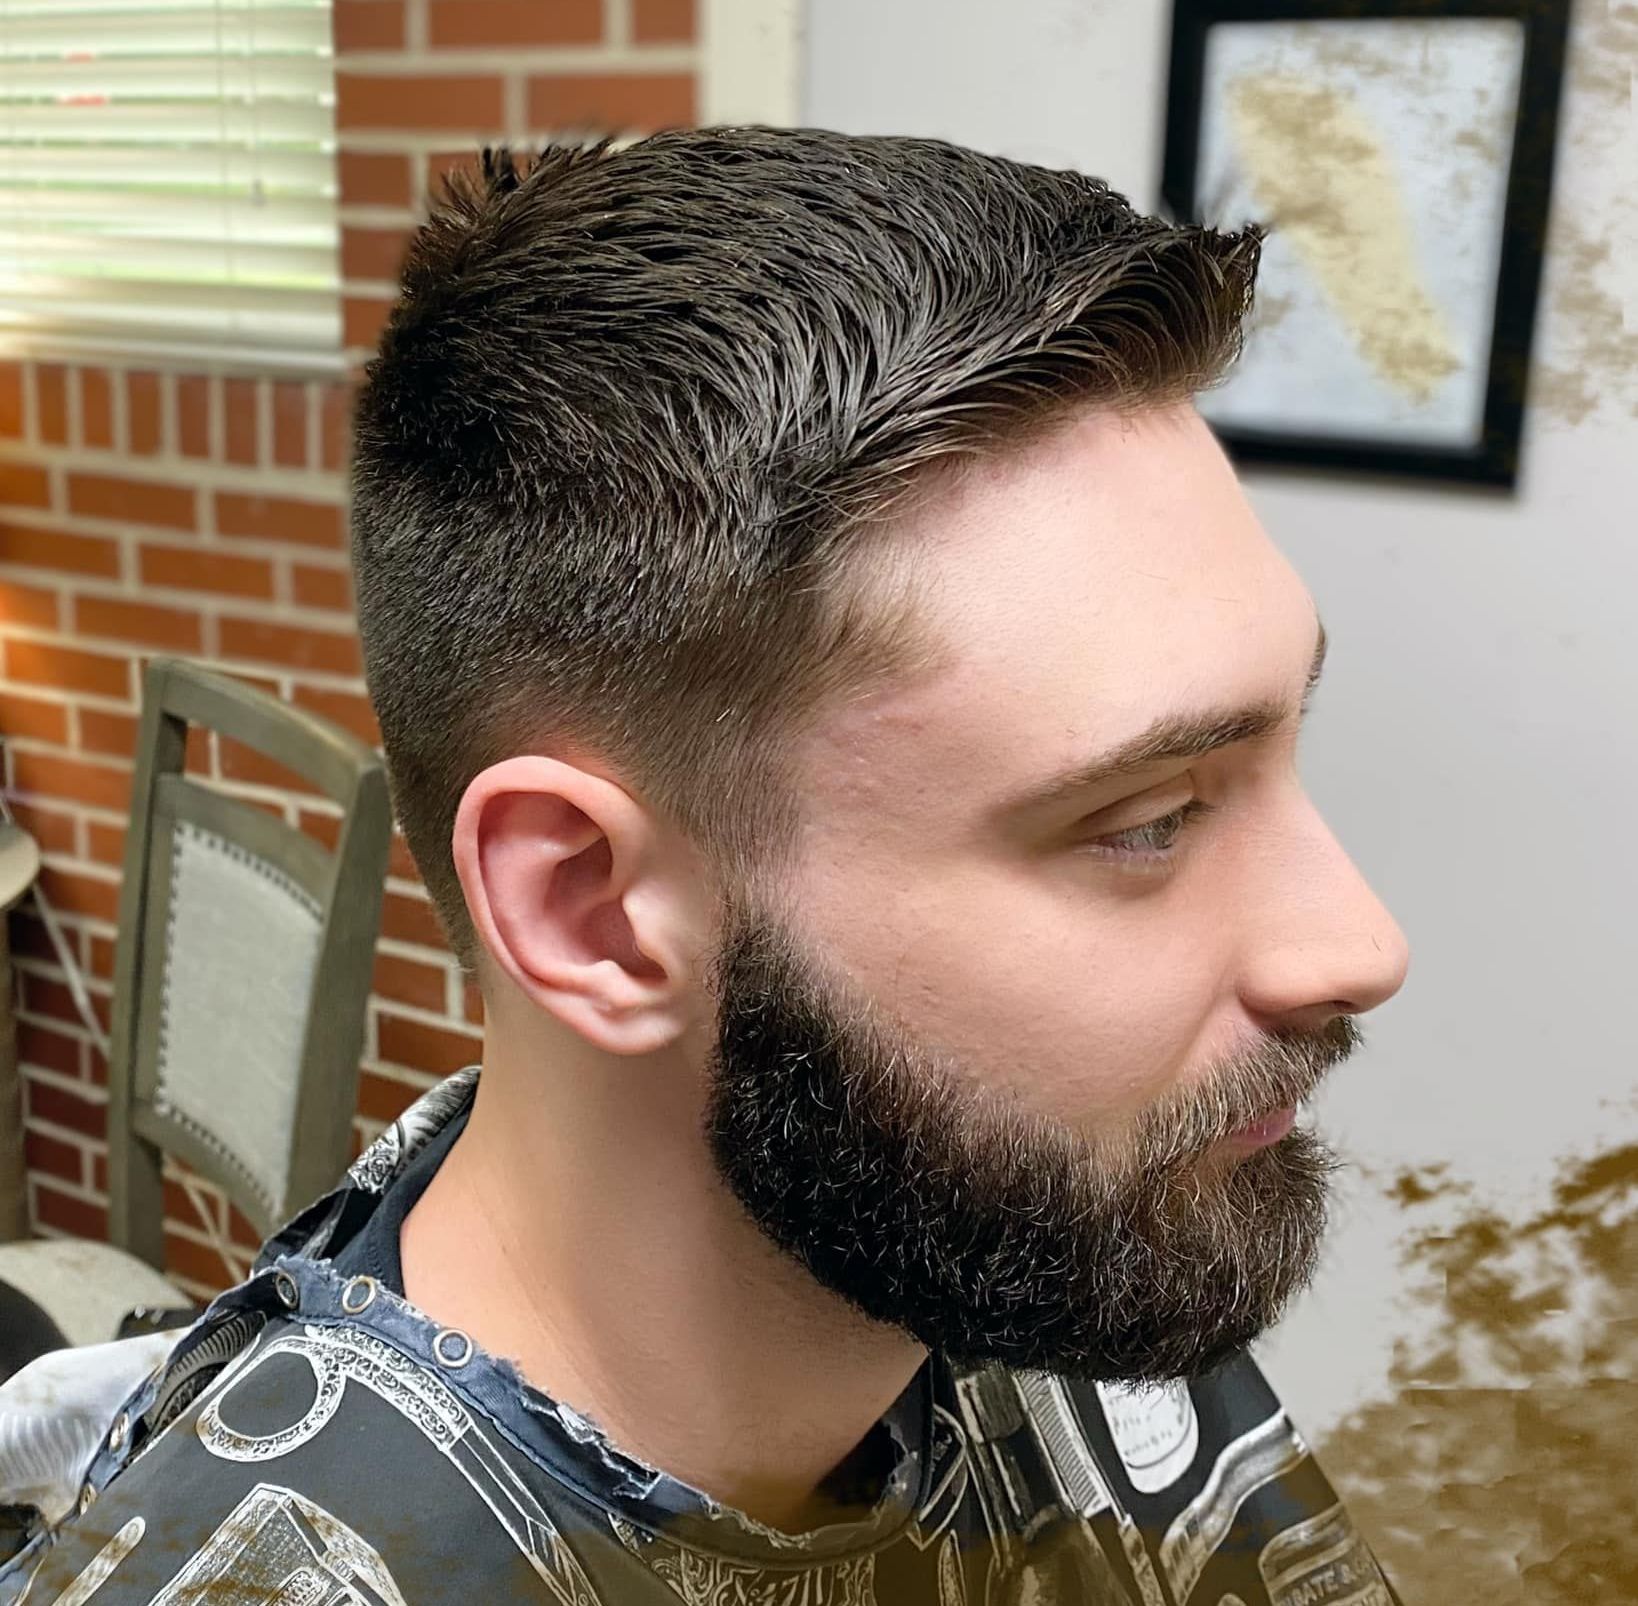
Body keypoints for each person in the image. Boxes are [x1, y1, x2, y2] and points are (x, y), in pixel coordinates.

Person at [0, 126, 1411, 1606]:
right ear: (592, 914)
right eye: (1146, 817)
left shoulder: (1060, 1232)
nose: (1355, 941)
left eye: (1282, 752)